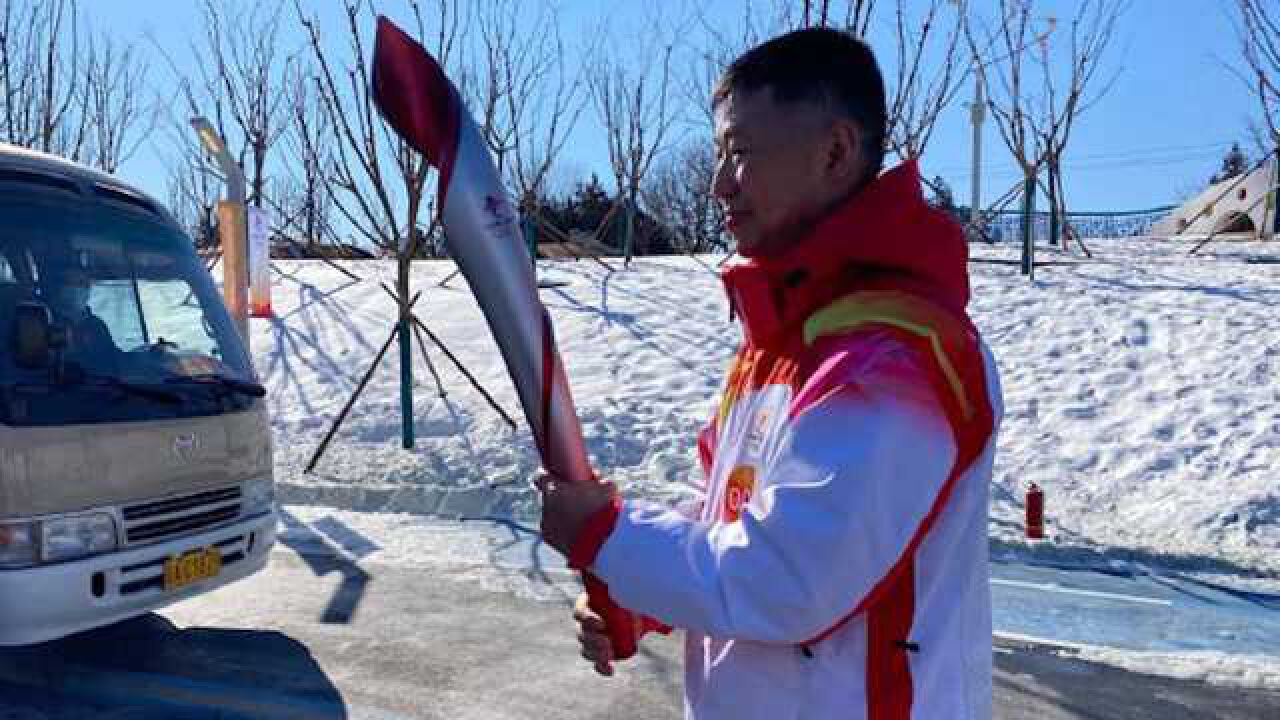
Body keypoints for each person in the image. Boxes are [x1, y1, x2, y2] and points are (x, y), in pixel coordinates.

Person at [537, 27, 1003, 720]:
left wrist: (607, 537)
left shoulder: (893, 354)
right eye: (722, 154)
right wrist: (640, 598)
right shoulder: (783, 344)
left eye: (741, 153)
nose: (721, 183)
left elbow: (788, 581)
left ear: (836, 152)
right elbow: (730, 524)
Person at [42, 264, 120, 374]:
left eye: (82, 284)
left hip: (98, 388)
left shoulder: (97, 325)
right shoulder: (42, 321)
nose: (76, 289)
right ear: (58, 288)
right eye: (70, 283)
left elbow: (114, 361)